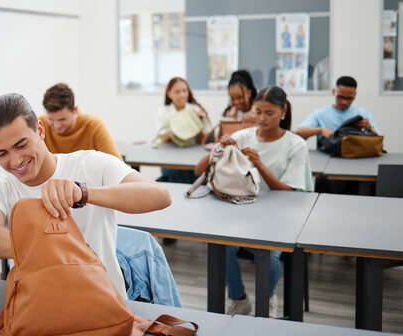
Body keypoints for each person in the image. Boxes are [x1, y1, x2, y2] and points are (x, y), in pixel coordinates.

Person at [0, 93, 172, 298]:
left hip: (103, 304)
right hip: (37, 308)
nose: (15, 161)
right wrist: (52, 248)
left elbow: (160, 195)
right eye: (1, 154)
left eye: (21, 145)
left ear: (40, 130)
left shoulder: (91, 164)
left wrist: (83, 193)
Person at [194, 86, 313, 317]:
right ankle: (239, 298)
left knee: (269, 254)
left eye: (269, 113)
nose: (262, 118)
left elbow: (291, 192)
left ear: (283, 111)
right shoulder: (243, 136)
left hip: (279, 218)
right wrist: (218, 147)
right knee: (221, 245)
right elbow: (199, 169)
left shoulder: (296, 144)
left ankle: (266, 300)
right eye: (258, 112)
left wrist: (260, 165)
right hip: (242, 212)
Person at [38, 83, 121, 159]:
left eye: (62, 119)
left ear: (75, 110)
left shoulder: (93, 125)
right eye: (51, 119)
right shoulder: (41, 124)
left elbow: (117, 163)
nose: (57, 126)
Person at [154, 76, 213, 183]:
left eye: (184, 91)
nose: (182, 95)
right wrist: (186, 120)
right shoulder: (163, 112)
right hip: (170, 160)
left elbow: (202, 141)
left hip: (192, 159)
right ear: (169, 94)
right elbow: (163, 139)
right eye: (177, 92)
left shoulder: (196, 110)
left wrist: (197, 122)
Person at [296, 76, 379, 143]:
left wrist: (369, 129)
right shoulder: (320, 114)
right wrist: (321, 130)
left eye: (349, 98)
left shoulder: (362, 114)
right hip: (328, 157)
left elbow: (378, 138)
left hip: (355, 156)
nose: (344, 102)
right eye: (341, 97)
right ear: (334, 92)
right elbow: (299, 132)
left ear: (355, 95)